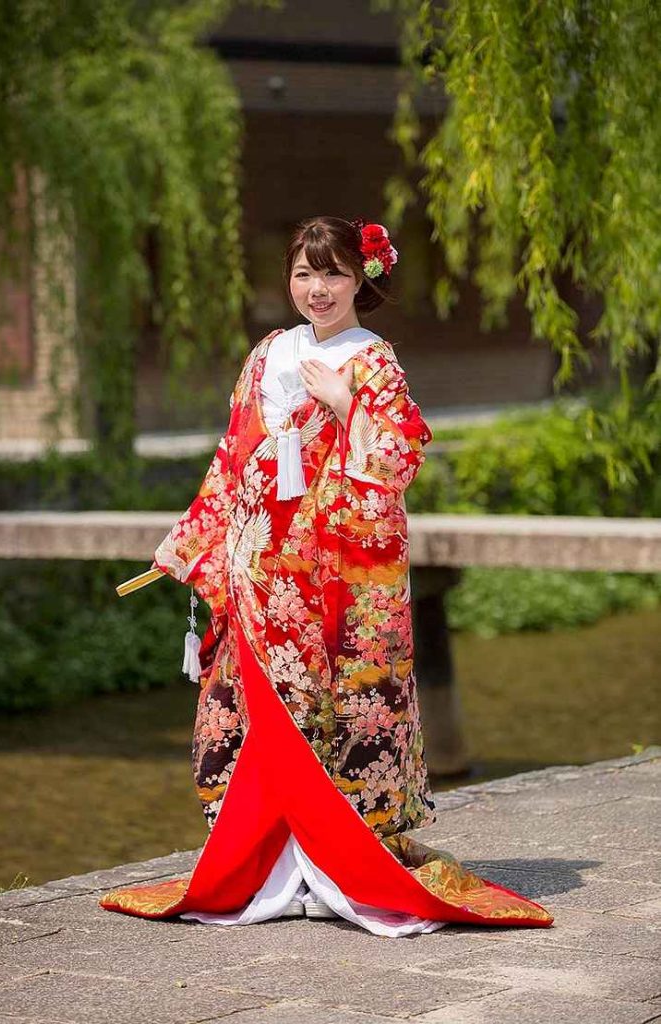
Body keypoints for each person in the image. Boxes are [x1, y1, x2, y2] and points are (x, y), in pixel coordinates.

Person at [99, 216, 553, 936]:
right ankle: (269, 863)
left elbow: (399, 461)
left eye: (333, 273)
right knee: (254, 711)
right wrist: (187, 539)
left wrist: (347, 408)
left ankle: (334, 863)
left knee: (337, 711)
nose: (317, 289)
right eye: (304, 273)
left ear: (360, 279)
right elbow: (231, 458)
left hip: (333, 572)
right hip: (257, 565)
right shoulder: (266, 355)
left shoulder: (373, 361)